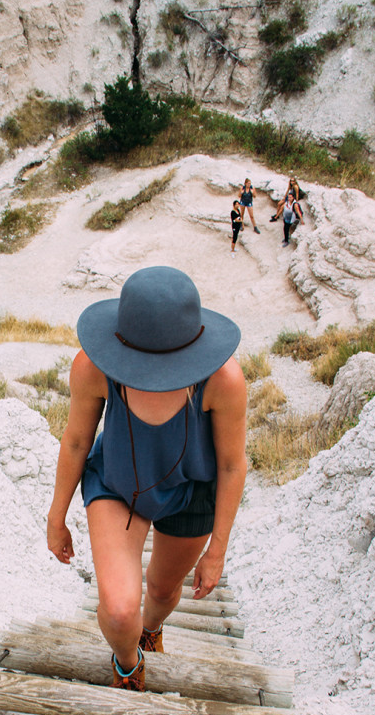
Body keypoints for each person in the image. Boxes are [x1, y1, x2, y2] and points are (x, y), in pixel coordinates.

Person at [46, 267, 247, 692]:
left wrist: (218, 551)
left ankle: (152, 629)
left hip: (190, 492)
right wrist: (56, 516)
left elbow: (231, 465)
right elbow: (78, 440)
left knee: (160, 591)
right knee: (120, 612)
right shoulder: (93, 367)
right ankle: (127, 661)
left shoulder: (223, 380)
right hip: (118, 485)